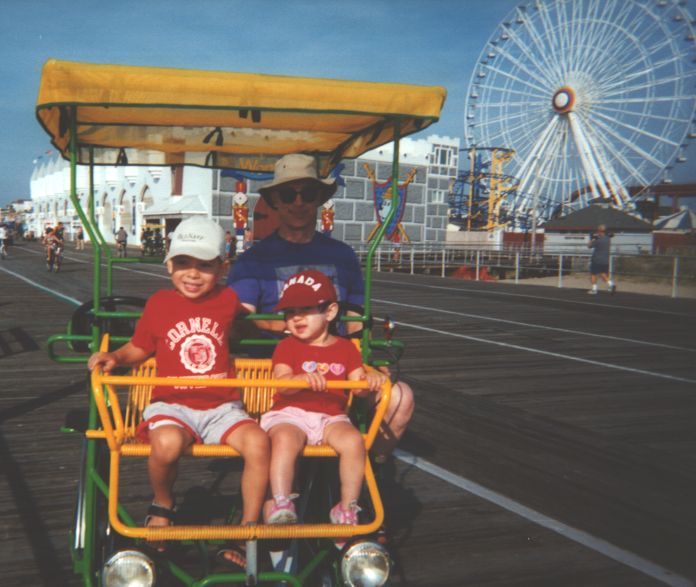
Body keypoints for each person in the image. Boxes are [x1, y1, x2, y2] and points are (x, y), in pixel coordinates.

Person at [87, 217, 270, 559]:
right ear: (169, 265)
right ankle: (163, 503)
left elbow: (251, 324)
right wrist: (116, 356)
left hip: (222, 406)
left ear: (222, 268)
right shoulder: (159, 303)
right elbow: (140, 347)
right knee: (167, 443)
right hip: (172, 403)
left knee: (259, 442)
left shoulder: (228, 299)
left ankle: (248, 527)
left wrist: (295, 324)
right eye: (183, 263)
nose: (193, 274)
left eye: (205, 265)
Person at [227, 153, 414, 463]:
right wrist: (293, 328)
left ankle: (364, 469)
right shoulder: (253, 261)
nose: (299, 202)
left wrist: (365, 359)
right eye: (289, 195)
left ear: (319, 199)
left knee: (400, 398)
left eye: (308, 193)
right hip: (276, 368)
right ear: (275, 201)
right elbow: (240, 320)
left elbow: (354, 318)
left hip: (337, 367)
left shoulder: (343, 255)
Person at [260, 269, 387, 530]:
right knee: (284, 439)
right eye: (290, 312)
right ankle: (281, 501)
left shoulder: (345, 348)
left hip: (331, 417)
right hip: (290, 413)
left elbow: (358, 387)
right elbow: (281, 382)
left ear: (329, 312)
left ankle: (347, 507)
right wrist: (299, 379)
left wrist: (369, 381)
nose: (296, 318)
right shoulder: (287, 347)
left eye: (305, 309)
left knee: (354, 441)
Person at [588, 224, 616, 295]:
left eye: (598, 231)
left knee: (593, 274)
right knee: (603, 274)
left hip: (596, 259)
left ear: (599, 231)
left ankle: (594, 289)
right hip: (605, 260)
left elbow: (589, 246)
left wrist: (592, 239)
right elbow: (611, 235)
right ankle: (611, 284)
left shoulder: (598, 240)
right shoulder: (608, 239)